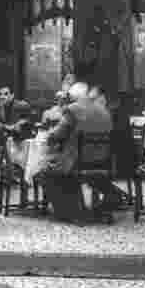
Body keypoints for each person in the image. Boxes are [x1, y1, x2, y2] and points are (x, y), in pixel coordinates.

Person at [38, 82, 113, 221]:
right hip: (103, 161)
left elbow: (57, 134)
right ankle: (84, 207)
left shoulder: (73, 109)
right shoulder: (104, 110)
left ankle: (68, 211)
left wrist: (48, 134)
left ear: (73, 98)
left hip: (77, 162)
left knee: (43, 170)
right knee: (57, 165)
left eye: (70, 98)